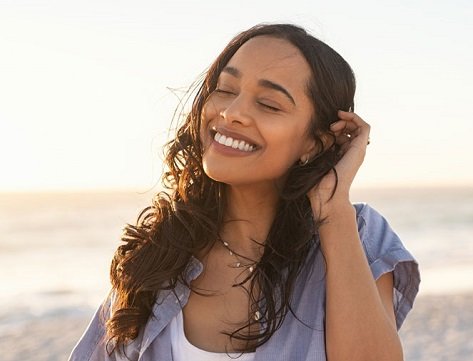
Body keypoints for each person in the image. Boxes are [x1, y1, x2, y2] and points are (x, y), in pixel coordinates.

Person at [69, 23, 419, 361]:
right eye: (225, 89)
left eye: (268, 104)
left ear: (315, 141)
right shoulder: (156, 253)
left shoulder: (355, 236)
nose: (232, 113)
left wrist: (333, 210)